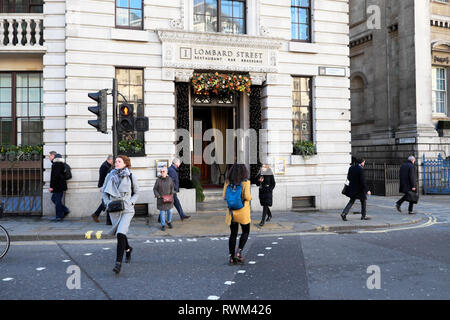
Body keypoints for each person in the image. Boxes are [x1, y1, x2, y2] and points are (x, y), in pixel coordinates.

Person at [102, 155, 139, 274]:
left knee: (120, 233)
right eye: (116, 161)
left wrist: (131, 202)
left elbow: (137, 192)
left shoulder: (131, 176)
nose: (116, 163)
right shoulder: (109, 175)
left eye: (119, 161)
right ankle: (128, 249)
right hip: (114, 209)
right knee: (121, 232)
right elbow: (104, 193)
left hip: (127, 209)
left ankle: (118, 263)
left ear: (125, 163)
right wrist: (107, 204)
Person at [223, 164, 252, 265]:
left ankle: (231, 257)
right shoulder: (246, 182)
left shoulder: (227, 182)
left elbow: (224, 196)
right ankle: (239, 252)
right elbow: (247, 196)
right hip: (243, 212)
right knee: (245, 231)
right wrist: (250, 198)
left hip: (232, 213)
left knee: (233, 234)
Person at [91, 155, 113, 224]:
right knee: (107, 201)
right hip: (104, 186)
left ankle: (96, 214)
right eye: (112, 161)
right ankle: (107, 220)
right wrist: (102, 187)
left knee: (105, 201)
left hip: (105, 186)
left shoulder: (106, 165)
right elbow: (105, 178)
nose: (113, 162)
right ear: (109, 160)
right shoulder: (105, 166)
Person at [49, 153, 70, 222]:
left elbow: (55, 177)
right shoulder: (62, 164)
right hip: (61, 185)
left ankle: (59, 216)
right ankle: (64, 210)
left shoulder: (56, 165)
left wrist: (52, 186)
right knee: (54, 199)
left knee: (57, 201)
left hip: (57, 186)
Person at [154, 166, 175, 231]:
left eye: (163, 171)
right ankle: (163, 225)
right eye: (161, 171)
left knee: (170, 211)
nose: (162, 172)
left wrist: (171, 194)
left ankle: (169, 222)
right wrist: (158, 195)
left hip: (169, 199)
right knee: (162, 213)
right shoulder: (158, 180)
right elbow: (155, 189)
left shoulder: (170, 179)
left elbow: (172, 188)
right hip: (161, 200)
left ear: (166, 172)